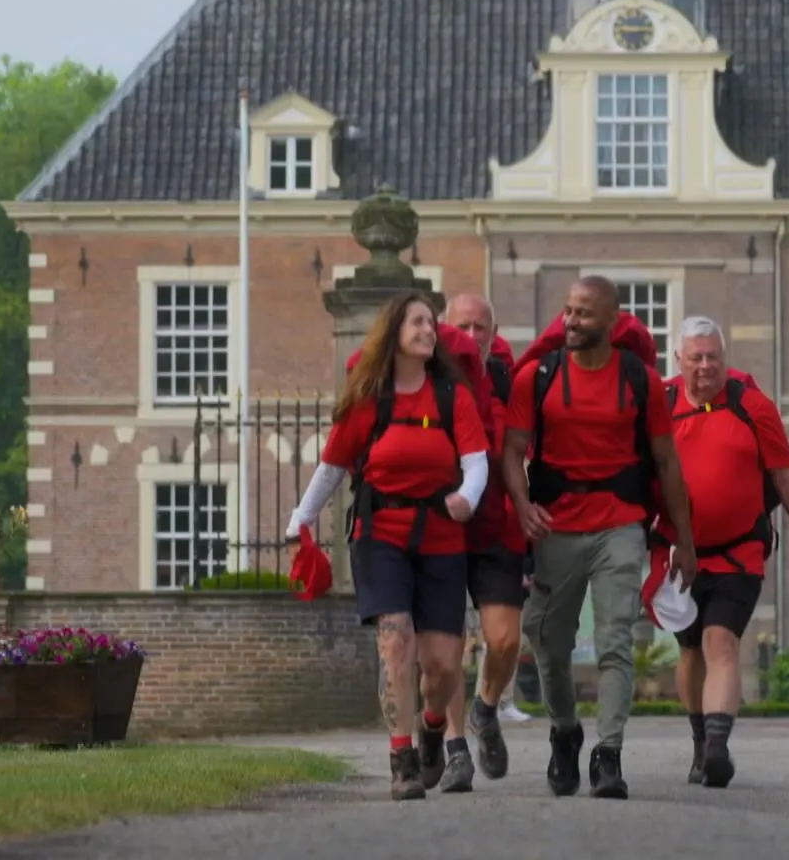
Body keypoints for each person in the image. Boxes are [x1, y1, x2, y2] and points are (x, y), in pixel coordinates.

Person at [284, 291, 491, 801]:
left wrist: (467, 496)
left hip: (442, 535)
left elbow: (477, 460)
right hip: (381, 537)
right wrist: (300, 520)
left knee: (443, 663)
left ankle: (433, 727)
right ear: (394, 331)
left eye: (432, 323)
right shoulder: (369, 399)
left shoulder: (451, 395)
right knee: (396, 642)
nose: (429, 329)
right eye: (418, 321)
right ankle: (401, 758)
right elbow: (333, 467)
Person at [502, 275, 699, 800]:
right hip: (556, 526)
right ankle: (564, 731)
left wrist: (684, 537)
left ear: (612, 322)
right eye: (567, 311)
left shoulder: (639, 381)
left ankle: (608, 754)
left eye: (584, 314)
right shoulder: (536, 378)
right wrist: (523, 506)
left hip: (620, 526)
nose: (570, 321)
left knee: (615, 641)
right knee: (548, 642)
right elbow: (511, 449)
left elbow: (666, 459)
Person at [657, 316, 789, 788]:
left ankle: (717, 746)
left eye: (714, 357)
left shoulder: (752, 404)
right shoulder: (662, 405)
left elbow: (786, 478)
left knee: (721, 642)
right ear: (679, 361)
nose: (706, 367)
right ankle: (699, 741)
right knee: (691, 651)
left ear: (725, 358)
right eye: (697, 358)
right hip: (678, 557)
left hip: (740, 553)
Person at [432, 292, 529, 792]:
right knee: (447, 647)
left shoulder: (509, 382)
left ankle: (486, 709)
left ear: (494, 333)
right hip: (444, 527)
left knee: (505, 639)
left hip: (496, 530)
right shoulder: (429, 382)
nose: (472, 338)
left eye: (481, 328)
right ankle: (454, 752)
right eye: (463, 328)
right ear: (447, 330)